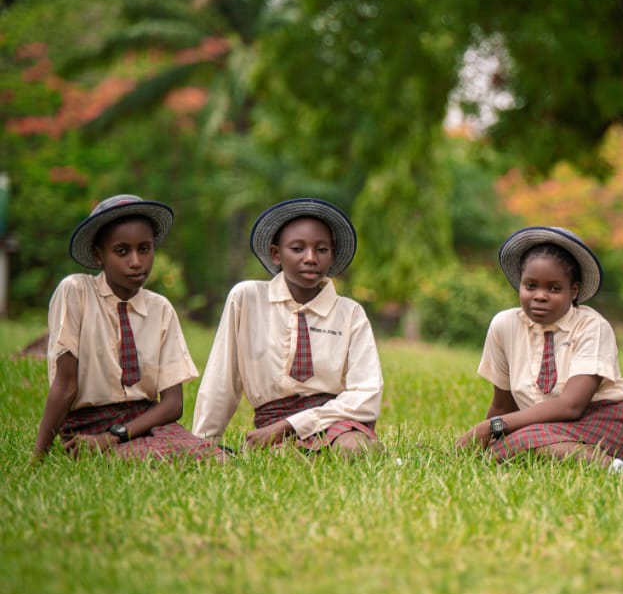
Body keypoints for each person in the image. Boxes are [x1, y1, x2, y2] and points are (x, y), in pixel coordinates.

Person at [456, 226, 623, 481]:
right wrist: (484, 443)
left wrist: (493, 427)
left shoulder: (592, 326)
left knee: (524, 442)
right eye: (530, 285)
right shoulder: (504, 325)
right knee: (506, 448)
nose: (540, 296)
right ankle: (586, 460)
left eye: (554, 289)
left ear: (574, 290)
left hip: (606, 421)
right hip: (546, 428)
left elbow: (572, 406)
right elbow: (503, 404)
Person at [33, 195, 221, 462]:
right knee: (153, 460)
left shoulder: (161, 308)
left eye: (144, 249)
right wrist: (37, 458)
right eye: (122, 251)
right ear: (99, 255)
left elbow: (172, 403)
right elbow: (65, 386)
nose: (136, 261)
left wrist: (117, 435)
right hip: (89, 426)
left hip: (145, 422)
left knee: (215, 459)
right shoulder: (76, 292)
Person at [192, 198, 383, 457]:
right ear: (276, 254)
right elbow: (222, 378)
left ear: (332, 255)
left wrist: (291, 426)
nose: (310, 258)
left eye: (322, 249)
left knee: (354, 448)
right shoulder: (247, 298)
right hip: (271, 426)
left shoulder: (350, 313)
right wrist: (203, 443)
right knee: (284, 458)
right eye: (297, 248)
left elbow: (366, 394)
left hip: (334, 419)